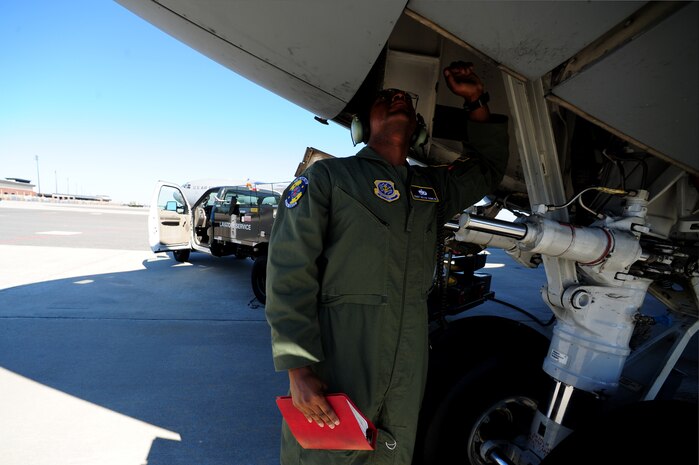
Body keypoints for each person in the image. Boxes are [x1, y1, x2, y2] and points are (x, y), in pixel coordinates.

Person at [265, 61, 509, 465]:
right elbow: (289, 272)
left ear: (418, 128)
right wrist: (297, 368)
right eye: (384, 99)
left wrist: (476, 102)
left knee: (392, 451)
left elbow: (486, 170)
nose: (397, 99)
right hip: (344, 345)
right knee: (329, 453)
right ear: (362, 125)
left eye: (406, 101)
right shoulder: (330, 178)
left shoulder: (431, 188)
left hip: (409, 346)